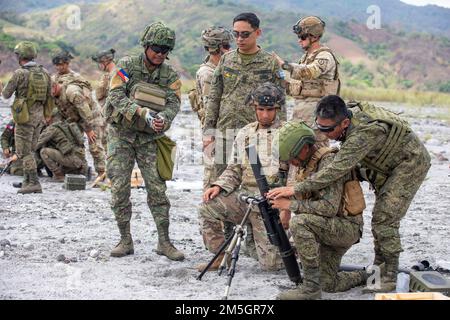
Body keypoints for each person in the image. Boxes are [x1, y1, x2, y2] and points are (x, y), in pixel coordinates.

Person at [268, 95, 431, 292]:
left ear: (345, 122)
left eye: (328, 130)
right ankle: (377, 271)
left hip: (409, 163)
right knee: (380, 219)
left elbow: (335, 170)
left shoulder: (362, 134)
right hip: (382, 162)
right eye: (319, 127)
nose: (324, 134)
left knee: (385, 219)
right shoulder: (346, 117)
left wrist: (294, 190)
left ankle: (388, 277)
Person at [105, 22, 184, 261]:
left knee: (158, 190)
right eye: (156, 49)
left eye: (165, 50)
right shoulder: (127, 67)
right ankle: (125, 240)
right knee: (119, 188)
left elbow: (174, 102)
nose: (160, 54)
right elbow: (115, 94)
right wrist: (141, 112)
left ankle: (164, 242)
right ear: (146, 46)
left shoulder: (169, 75)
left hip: (151, 138)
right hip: (122, 136)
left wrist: (163, 119)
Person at [197, 82, 287, 272]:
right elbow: (235, 169)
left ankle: (285, 245)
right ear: (254, 108)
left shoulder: (287, 133)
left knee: (272, 266)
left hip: (271, 204)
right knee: (207, 206)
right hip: (245, 200)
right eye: (260, 109)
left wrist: (286, 207)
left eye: (270, 110)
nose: (264, 114)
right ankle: (220, 257)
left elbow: (296, 175)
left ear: (278, 108)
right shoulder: (245, 133)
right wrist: (218, 186)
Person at [271, 121, 366, 300]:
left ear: (306, 147)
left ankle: (310, 289)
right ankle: (367, 275)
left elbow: (328, 208)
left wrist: (290, 206)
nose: (291, 162)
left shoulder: (328, 162)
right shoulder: (306, 163)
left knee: (299, 222)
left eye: (292, 157)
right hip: (327, 228)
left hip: (345, 227)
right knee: (329, 284)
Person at [203, 12, 286, 185]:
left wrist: (281, 134)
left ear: (258, 33)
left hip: (256, 134)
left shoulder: (269, 63)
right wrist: (208, 131)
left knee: (256, 181)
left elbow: (280, 102)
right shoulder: (226, 59)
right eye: (236, 34)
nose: (239, 39)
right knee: (221, 181)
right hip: (225, 131)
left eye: (245, 34)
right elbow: (214, 97)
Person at [273, 16, 340, 146]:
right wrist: (279, 81)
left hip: (317, 117)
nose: (299, 41)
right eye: (299, 37)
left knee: (316, 152)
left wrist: (284, 65)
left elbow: (309, 72)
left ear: (314, 37)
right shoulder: (306, 57)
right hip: (301, 114)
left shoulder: (324, 57)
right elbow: (299, 88)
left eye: (302, 37)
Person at [2, 41, 53, 194]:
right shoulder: (45, 73)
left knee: (23, 152)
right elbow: (50, 97)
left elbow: (6, 94)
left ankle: (34, 183)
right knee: (30, 150)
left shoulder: (20, 73)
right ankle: (27, 180)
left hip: (24, 118)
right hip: (39, 118)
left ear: (21, 56)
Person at [52, 51, 106, 177]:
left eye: (62, 64)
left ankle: (102, 173)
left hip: (91, 116)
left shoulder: (73, 88)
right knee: (75, 143)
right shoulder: (54, 80)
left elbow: (85, 111)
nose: (59, 67)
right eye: (57, 65)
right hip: (73, 117)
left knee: (94, 145)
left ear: (67, 64)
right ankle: (81, 170)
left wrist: (88, 129)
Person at [36, 118, 88, 182]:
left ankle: (59, 176)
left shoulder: (52, 129)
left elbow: (37, 144)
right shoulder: (65, 125)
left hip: (72, 160)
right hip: (81, 162)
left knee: (44, 152)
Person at [92, 48, 116, 152]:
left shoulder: (120, 72)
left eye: (100, 63)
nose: (99, 66)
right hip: (107, 116)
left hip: (115, 118)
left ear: (106, 61)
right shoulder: (106, 75)